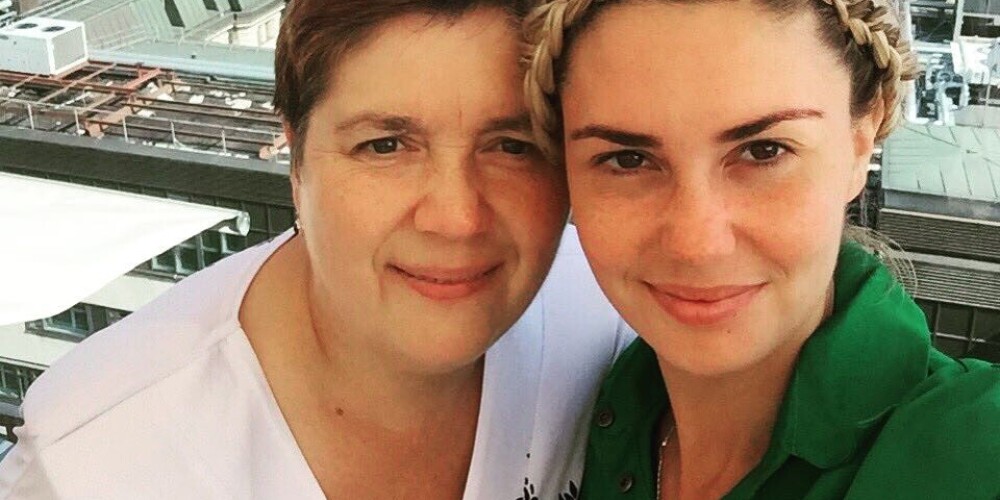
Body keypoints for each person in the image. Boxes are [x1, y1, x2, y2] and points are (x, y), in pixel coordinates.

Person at [0, 1, 633, 498]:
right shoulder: (93, 462)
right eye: (385, 145)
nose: (457, 218)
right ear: (296, 161)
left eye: (513, 146)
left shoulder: (610, 325)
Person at [523, 0, 1000, 498]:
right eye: (627, 159)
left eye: (764, 151)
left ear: (860, 144)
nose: (697, 246)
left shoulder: (973, 451)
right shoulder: (580, 414)